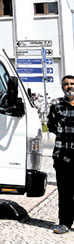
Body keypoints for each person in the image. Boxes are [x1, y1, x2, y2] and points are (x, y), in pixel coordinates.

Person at [47, 74, 74, 234]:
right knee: (65, 192)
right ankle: (64, 223)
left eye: (72, 83)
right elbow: (50, 125)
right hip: (62, 154)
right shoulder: (56, 104)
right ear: (62, 87)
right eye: (66, 84)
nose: (69, 86)